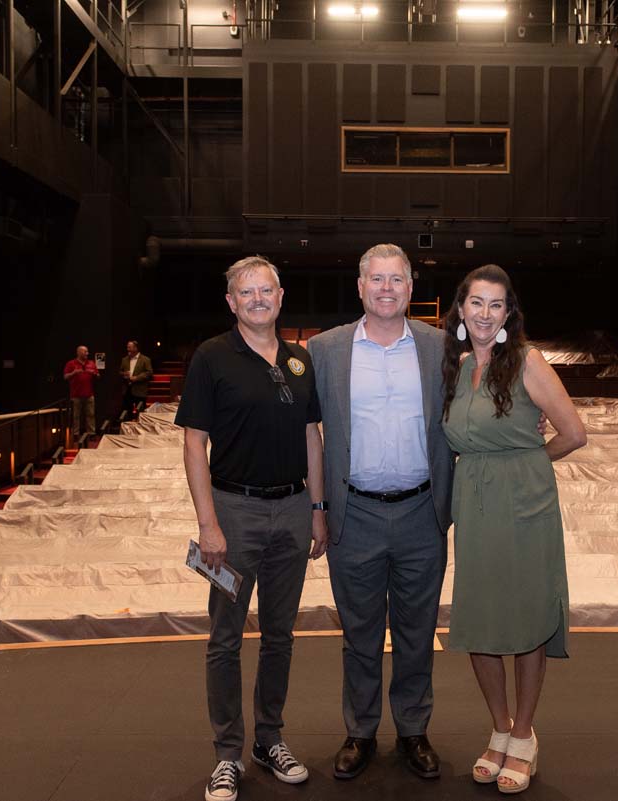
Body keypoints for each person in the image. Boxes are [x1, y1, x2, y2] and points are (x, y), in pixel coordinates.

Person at [175, 256, 329, 801]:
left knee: (280, 635)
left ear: (281, 297)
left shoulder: (299, 362)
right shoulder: (212, 358)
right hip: (232, 516)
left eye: (266, 290)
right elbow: (194, 443)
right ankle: (226, 754)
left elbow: (313, 436)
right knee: (225, 638)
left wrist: (317, 508)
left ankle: (269, 739)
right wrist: (208, 523)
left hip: (291, 512)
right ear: (232, 301)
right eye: (247, 292)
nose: (258, 299)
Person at [307, 243, 454, 781]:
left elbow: (480, 403)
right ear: (360, 286)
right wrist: (317, 510)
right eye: (376, 278)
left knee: (417, 633)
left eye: (396, 279)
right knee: (360, 635)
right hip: (355, 515)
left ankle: (414, 730)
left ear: (411, 289)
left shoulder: (442, 348)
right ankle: (361, 731)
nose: (386, 288)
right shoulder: (324, 350)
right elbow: (311, 437)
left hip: (422, 513)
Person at [441, 264, 587, 794]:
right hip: (475, 507)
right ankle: (499, 729)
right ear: (461, 309)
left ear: (508, 314)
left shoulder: (528, 361)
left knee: (525, 621)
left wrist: (528, 459)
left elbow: (574, 433)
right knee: (480, 619)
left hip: (525, 506)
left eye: (495, 305)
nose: (484, 314)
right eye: (475, 303)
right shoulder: (457, 370)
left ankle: (524, 735)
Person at [63, 345, 99, 437]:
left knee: (90, 415)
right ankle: (75, 434)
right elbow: (65, 377)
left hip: (89, 394)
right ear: (78, 352)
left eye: (87, 351)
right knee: (75, 416)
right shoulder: (71, 363)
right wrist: (73, 373)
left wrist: (94, 374)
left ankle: (91, 434)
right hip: (76, 395)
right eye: (85, 352)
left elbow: (98, 375)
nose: (87, 353)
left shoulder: (91, 363)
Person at [119, 340, 154, 418]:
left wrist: (137, 378)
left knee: (140, 413)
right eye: (127, 347)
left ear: (136, 348)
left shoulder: (145, 359)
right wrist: (124, 374)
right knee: (127, 412)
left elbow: (149, 373)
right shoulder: (124, 359)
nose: (128, 349)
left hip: (140, 391)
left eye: (130, 347)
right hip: (127, 390)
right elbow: (120, 372)